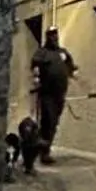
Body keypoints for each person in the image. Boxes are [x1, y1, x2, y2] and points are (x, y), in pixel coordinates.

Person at [30, 29, 76, 163]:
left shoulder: (62, 52)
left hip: (60, 93)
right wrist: (36, 78)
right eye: (51, 35)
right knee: (48, 120)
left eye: (55, 35)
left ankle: (44, 147)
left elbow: (70, 65)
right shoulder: (42, 53)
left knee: (54, 122)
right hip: (47, 93)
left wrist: (73, 72)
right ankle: (43, 152)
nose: (54, 37)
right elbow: (35, 66)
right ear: (47, 37)